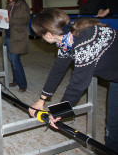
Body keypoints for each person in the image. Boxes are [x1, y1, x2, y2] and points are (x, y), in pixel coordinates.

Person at [28, 8, 118, 153]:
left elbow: (78, 84)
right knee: (113, 126)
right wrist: (41, 100)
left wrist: (58, 113)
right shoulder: (66, 39)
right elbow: (57, 71)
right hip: (115, 79)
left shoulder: (84, 40)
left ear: (49, 34)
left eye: (41, 35)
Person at [3, 0, 30, 92]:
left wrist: (11, 20)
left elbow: (25, 20)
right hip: (9, 35)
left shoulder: (22, 4)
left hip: (18, 36)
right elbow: (7, 19)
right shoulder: (9, 4)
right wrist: (2, 18)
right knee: (12, 60)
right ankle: (16, 80)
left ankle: (22, 84)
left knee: (15, 60)